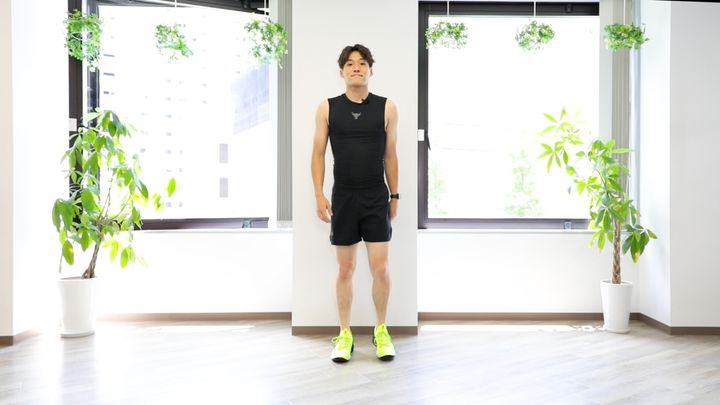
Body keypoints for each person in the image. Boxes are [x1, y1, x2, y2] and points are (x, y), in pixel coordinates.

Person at [311, 44, 399, 363]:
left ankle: (381, 331)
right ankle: (345, 334)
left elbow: (391, 155)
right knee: (345, 268)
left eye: (362, 63)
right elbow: (318, 153)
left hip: (375, 196)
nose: (356, 68)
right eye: (350, 64)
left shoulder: (387, 107)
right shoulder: (327, 108)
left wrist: (394, 195)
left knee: (381, 268)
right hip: (344, 198)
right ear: (342, 72)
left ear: (370, 70)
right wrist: (319, 194)